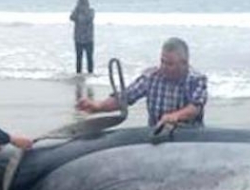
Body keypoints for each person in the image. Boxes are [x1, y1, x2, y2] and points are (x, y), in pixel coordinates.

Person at [76, 37, 207, 129]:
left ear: (184, 63)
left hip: (190, 138)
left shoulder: (196, 79)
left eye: (170, 64)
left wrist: (175, 116)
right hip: (157, 134)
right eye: (162, 61)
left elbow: (195, 107)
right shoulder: (151, 77)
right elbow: (125, 97)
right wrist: (98, 106)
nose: (164, 67)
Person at [70, 0, 95, 74]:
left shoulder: (91, 11)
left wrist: (82, 12)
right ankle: (78, 74)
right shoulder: (76, 12)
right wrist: (77, 10)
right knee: (78, 59)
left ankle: (90, 74)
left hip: (88, 39)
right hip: (78, 39)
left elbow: (87, 19)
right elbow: (71, 17)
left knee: (89, 58)